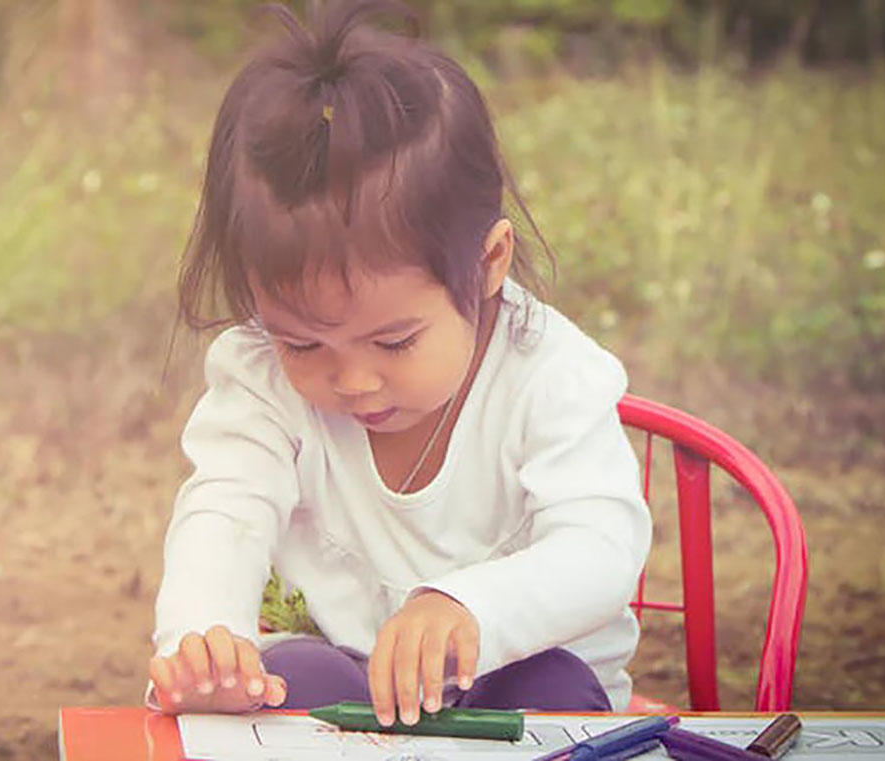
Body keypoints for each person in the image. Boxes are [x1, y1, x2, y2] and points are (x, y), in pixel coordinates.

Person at [147, 0, 651, 726]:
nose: (352, 380)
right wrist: (205, 638)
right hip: (346, 679)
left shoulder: (548, 373)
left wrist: (470, 604)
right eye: (303, 343)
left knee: (553, 689)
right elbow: (224, 509)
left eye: (394, 342)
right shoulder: (258, 377)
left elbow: (602, 547)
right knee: (289, 676)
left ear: (488, 263)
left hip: (519, 677)